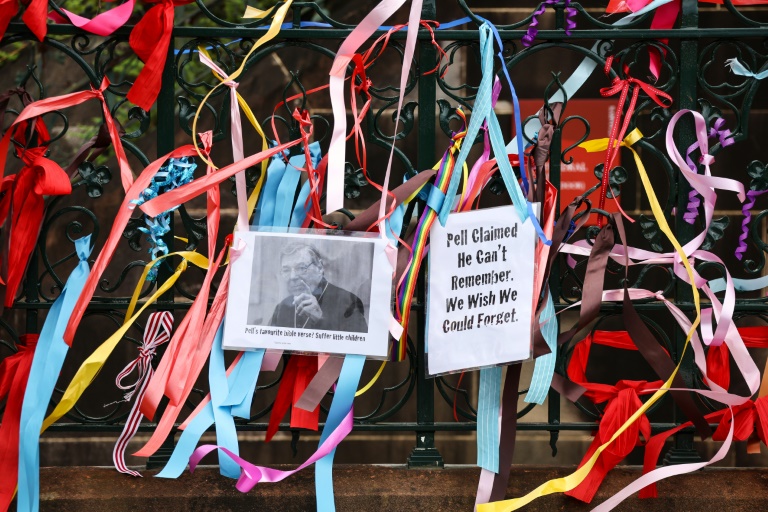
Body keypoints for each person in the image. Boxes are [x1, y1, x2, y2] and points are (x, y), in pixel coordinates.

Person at [269, 242, 368, 333]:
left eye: (301, 268)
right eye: (286, 270)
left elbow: (358, 347)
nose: (292, 276)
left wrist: (319, 319)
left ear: (319, 267)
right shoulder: (282, 308)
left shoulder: (348, 301)